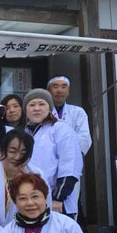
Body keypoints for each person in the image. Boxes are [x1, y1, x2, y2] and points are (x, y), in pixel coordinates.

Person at [0, 129, 50, 227]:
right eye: (13, 151)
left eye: (23, 153)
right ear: (1, 152)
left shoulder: (38, 176)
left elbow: (45, 210)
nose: (17, 157)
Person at [23, 88, 82, 217]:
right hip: (30, 202)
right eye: (32, 105)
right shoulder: (24, 133)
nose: (37, 108)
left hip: (58, 203)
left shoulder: (61, 129)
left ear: (49, 107)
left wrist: (58, 197)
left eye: (42, 104)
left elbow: (70, 166)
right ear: (26, 109)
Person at [47, 76, 91, 156]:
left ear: (68, 91)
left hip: (72, 160)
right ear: (48, 91)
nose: (59, 90)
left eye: (64, 87)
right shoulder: (43, 112)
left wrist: (68, 156)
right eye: (55, 86)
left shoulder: (78, 112)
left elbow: (84, 139)